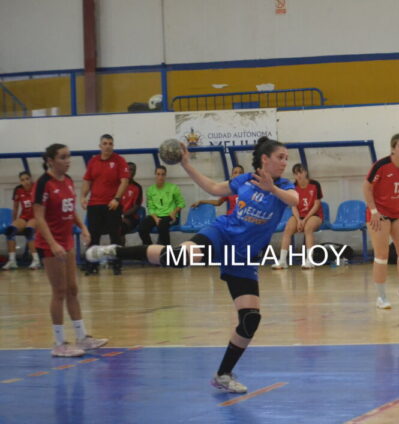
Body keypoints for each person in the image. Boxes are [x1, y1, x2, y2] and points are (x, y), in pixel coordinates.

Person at [85, 137, 298, 393]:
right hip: (222, 234)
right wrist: (186, 164)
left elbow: (293, 200)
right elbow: (214, 188)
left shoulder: (284, 186)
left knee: (250, 319)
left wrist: (272, 188)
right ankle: (116, 251)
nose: (285, 162)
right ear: (265, 159)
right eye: (281, 157)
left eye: (286, 158)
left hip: (241, 257)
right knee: (179, 257)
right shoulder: (245, 180)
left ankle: (223, 374)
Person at [35, 144, 108, 357]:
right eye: (62, 157)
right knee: (58, 292)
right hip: (51, 245)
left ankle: (82, 337)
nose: (67, 161)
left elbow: (70, 208)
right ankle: (59, 343)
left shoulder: (67, 181)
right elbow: (39, 217)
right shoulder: (43, 184)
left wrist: (83, 227)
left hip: (66, 242)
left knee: (72, 289)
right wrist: (52, 243)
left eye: (69, 157)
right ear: (50, 160)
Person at [363, 133, 399, 310]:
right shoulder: (381, 166)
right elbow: (366, 187)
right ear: (393, 149)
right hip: (379, 213)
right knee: (382, 255)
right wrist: (373, 211)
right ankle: (381, 296)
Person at [81, 134, 130, 275]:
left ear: (113, 146)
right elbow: (87, 180)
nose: (108, 146)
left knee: (115, 236)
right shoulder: (93, 161)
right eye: (105, 143)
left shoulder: (120, 161)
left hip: (112, 205)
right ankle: (91, 265)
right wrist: (83, 196)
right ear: (100, 146)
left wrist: (117, 199)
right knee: (93, 236)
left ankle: (116, 265)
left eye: (110, 143)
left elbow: (124, 181)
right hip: (94, 205)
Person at [273, 163, 324, 270]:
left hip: (314, 215)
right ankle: (282, 261)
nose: (299, 175)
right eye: (296, 173)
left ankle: (309, 260)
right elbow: (293, 205)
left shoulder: (315, 184)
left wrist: (305, 220)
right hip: (298, 215)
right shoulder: (293, 187)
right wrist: (298, 220)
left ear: (305, 172)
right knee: (287, 229)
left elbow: (317, 204)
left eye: (300, 172)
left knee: (308, 228)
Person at [137, 166, 185, 246]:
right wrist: (155, 218)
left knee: (162, 225)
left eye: (163, 174)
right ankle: (149, 248)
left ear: (165, 175)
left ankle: (166, 251)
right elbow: (150, 207)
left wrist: (174, 212)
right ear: (155, 175)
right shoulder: (150, 190)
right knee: (142, 228)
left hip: (169, 216)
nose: (160, 177)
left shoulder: (173, 188)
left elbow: (181, 203)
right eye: (158, 174)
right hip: (156, 216)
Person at [3, 171, 41, 270]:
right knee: (10, 230)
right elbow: (15, 208)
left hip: (36, 217)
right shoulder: (18, 190)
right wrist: (13, 221)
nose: (25, 182)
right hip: (24, 217)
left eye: (27, 179)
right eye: (22, 180)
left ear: (31, 179)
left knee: (29, 230)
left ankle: (36, 261)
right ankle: (12, 261)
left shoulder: (37, 188)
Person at [118, 162, 143, 244]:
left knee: (120, 227)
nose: (129, 172)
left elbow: (136, 207)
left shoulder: (137, 187)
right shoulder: (118, 185)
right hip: (117, 216)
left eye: (132, 170)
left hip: (131, 218)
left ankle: (120, 252)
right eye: (128, 169)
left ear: (135, 172)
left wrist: (123, 215)